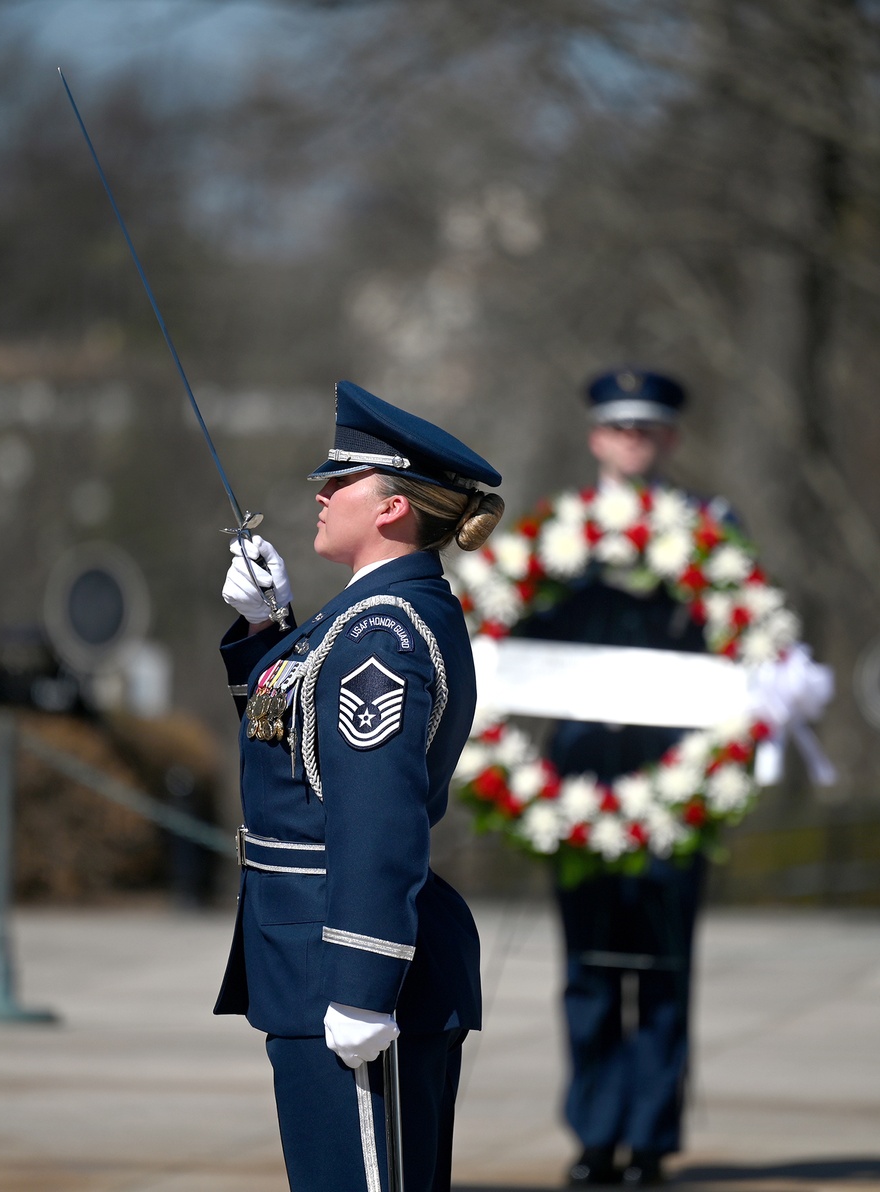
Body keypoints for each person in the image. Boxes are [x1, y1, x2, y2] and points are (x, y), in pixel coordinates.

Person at [215, 379, 505, 1192]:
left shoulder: (383, 633)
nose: (320, 492)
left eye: (339, 480)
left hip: (347, 967)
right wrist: (266, 630)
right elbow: (293, 746)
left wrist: (364, 984)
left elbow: (378, 818)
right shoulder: (361, 618)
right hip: (306, 959)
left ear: (391, 508)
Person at [518, 369, 725, 1188]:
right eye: (620, 427)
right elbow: (520, 634)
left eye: (649, 428)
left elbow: (738, 639)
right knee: (592, 962)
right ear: (597, 436)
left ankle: (649, 1140)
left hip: (678, 771)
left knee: (664, 965)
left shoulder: (713, 530)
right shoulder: (556, 536)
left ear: (670, 438)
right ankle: (596, 1136)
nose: (634, 440)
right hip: (581, 777)